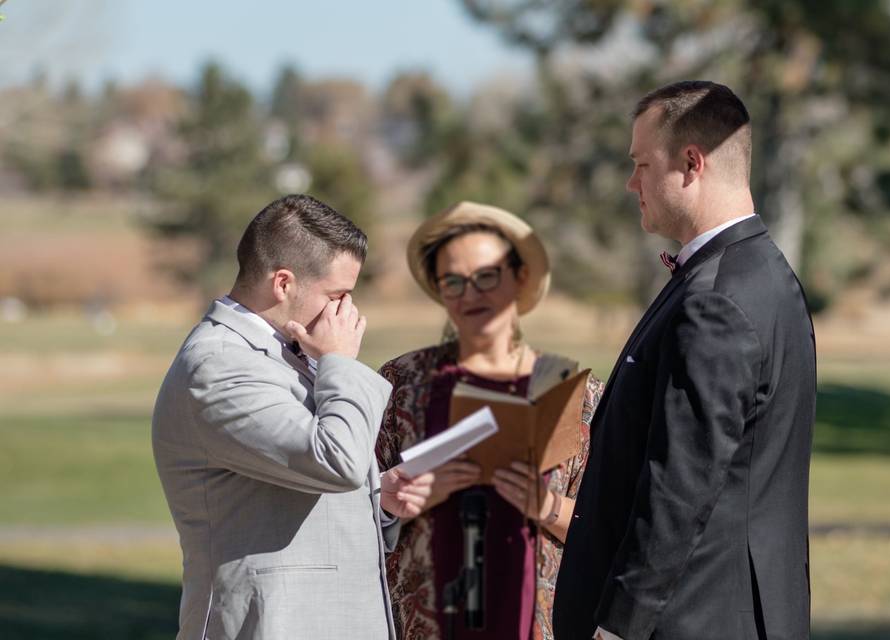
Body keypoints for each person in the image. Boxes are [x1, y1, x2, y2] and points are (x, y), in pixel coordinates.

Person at [554, 81, 817, 640]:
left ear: (692, 164)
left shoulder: (717, 299)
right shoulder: (760, 273)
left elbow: (679, 484)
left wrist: (620, 626)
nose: (632, 184)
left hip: (691, 619)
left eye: (641, 164)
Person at [152, 194, 431, 640]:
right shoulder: (219, 365)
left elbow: (293, 485)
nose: (348, 313)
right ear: (283, 283)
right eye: (337, 295)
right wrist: (340, 362)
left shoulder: (289, 354)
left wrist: (377, 499)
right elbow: (334, 460)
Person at [375, 201, 603, 639]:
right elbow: (352, 513)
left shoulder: (573, 392)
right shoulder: (400, 384)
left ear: (519, 280)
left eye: (485, 278)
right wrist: (393, 500)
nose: (469, 295)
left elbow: (612, 529)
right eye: (453, 281)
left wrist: (546, 506)